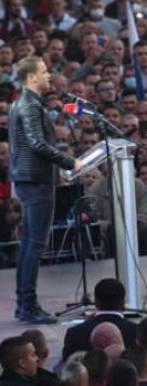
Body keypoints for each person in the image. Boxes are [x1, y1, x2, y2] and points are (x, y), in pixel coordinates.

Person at [9, 55, 82, 322]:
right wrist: (70, 162)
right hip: (36, 179)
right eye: (43, 71)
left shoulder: (24, 103)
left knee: (30, 245)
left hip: (30, 178)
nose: (48, 75)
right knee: (35, 245)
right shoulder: (29, 105)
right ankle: (28, 306)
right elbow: (37, 144)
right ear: (31, 77)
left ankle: (24, 304)